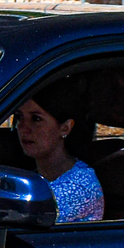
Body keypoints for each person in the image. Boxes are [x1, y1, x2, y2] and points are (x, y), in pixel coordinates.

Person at [11, 78, 103, 223]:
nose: (23, 127)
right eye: (19, 117)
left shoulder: (80, 186)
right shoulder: (36, 175)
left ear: (65, 127)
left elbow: (19, 217)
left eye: (36, 119)